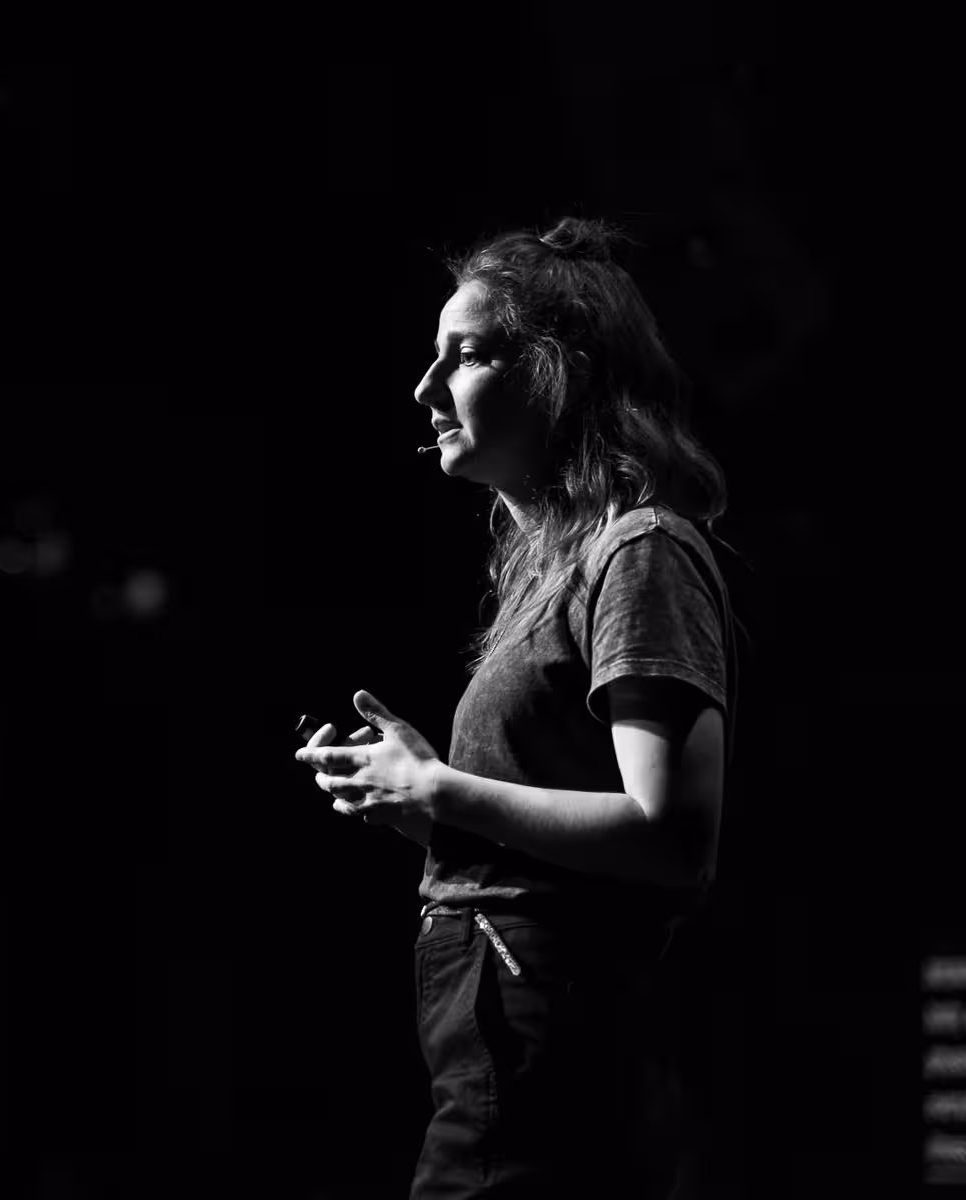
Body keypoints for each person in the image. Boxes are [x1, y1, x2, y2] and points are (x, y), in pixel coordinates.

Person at [294, 215, 746, 1199]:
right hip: (507, 1042)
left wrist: (446, 791)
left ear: (561, 374)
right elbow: (564, 852)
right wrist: (423, 812)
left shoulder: (642, 552)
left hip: (551, 1059)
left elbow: (673, 840)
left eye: (466, 355)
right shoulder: (563, 573)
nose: (425, 390)